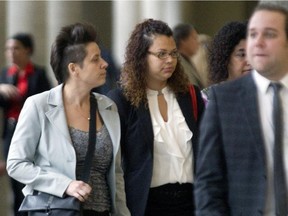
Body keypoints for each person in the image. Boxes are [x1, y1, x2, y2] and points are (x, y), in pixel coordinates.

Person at [6, 23, 130, 216]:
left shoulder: (108, 107)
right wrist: (65, 185)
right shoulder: (39, 105)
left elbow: (116, 174)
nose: (105, 63)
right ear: (74, 69)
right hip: (57, 210)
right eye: (96, 59)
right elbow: (16, 164)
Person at [194, 3, 288, 215]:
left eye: (270, 34)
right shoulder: (221, 100)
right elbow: (208, 182)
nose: (259, 43)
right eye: (254, 34)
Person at [108, 19, 205, 216]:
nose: (170, 60)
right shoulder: (121, 101)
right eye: (161, 54)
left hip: (192, 203)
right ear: (141, 57)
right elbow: (116, 164)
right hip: (146, 205)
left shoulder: (190, 95)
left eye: (173, 53)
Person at [0, 32, 51, 216]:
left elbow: (47, 104)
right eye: (8, 49)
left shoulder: (39, 74)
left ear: (27, 50)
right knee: (14, 180)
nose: (11, 53)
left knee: (27, 181)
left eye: (16, 48)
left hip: (32, 133)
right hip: (10, 131)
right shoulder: (5, 74)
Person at [201, 21, 252, 104]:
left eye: (253, 54)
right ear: (225, 58)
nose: (250, 61)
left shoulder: (266, 96)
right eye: (242, 55)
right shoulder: (207, 98)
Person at [173, 23, 204, 89]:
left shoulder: (185, 60)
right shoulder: (177, 63)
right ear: (183, 40)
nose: (198, 43)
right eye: (194, 38)